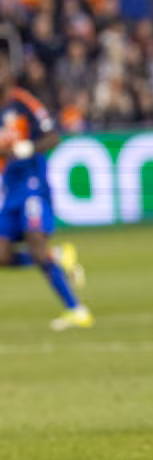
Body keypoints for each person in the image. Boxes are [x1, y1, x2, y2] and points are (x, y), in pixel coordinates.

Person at [0, 53, 91, 330]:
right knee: (2, 256)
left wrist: (29, 148)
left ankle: (77, 310)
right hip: (10, 189)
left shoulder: (23, 102)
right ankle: (60, 257)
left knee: (37, 245)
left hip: (32, 186)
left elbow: (53, 136)